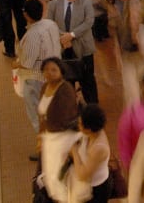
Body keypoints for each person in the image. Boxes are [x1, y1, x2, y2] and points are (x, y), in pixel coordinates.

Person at [37, 57, 85, 203]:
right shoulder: (45, 87)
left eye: (53, 70)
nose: (49, 73)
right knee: (52, 179)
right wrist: (41, 135)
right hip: (50, 140)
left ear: (61, 72)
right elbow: (43, 115)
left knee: (63, 180)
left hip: (64, 140)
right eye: (46, 70)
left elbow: (68, 118)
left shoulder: (65, 90)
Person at [14, 0, 62, 139]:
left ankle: (45, 147)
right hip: (55, 73)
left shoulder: (33, 35)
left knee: (37, 114)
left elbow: (27, 63)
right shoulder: (50, 24)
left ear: (26, 15)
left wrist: (15, 64)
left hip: (37, 79)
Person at [48, 0, 99, 104]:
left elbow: (89, 22)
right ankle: (70, 104)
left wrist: (71, 35)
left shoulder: (86, 3)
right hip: (63, 47)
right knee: (67, 78)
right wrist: (63, 37)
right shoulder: (54, 5)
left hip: (83, 48)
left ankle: (92, 104)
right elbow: (50, 23)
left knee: (87, 79)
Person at [70, 104, 112, 203]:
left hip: (96, 190)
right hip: (88, 186)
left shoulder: (99, 148)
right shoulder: (92, 133)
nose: (78, 126)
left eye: (80, 124)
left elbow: (82, 175)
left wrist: (74, 151)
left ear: (88, 128)